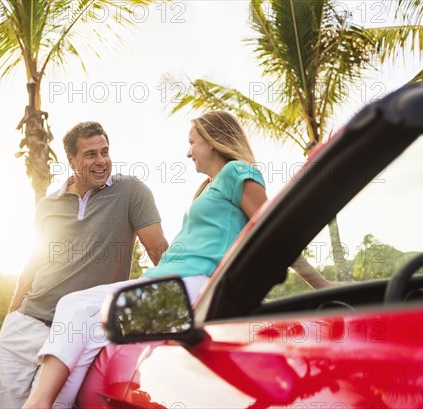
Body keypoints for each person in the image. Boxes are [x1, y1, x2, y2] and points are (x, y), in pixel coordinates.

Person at [22, 111, 270, 409]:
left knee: (74, 306)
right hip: (168, 284)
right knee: (84, 332)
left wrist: (321, 284)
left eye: (192, 142)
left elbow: (272, 231)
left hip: (190, 287)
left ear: (213, 142)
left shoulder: (237, 172)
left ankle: (36, 404)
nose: (188, 151)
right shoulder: (208, 187)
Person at [0, 121, 168, 408]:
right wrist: (12, 314)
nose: (101, 161)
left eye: (105, 152)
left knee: (49, 404)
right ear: (71, 160)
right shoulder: (49, 205)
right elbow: (35, 260)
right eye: (90, 155)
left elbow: (158, 250)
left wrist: (187, 297)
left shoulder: (131, 192)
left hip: (78, 329)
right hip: (28, 321)